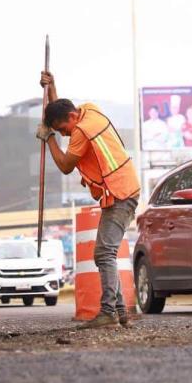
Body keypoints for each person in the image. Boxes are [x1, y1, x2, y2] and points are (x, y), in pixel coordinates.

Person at [37, 71, 140, 329]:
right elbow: (62, 111)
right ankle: (119, 312)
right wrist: (52, 88)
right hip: (123, 189)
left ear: (72, 118)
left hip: (119, 193)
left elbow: (64, 166)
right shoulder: (89, 110)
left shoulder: (81, 131)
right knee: (105, 253)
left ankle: (109, 312)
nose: (65, 135)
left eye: (63, 130)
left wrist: (48, 138)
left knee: (104, 252)